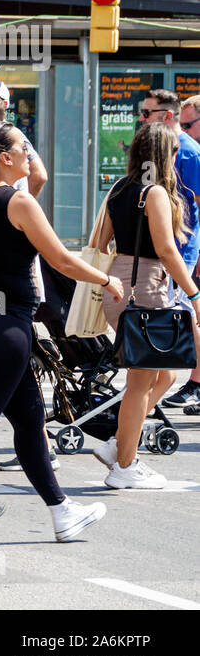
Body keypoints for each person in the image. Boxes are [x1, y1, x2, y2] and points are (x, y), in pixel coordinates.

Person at [0, 121, 119, 549]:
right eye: (23, 149)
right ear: (5, 159)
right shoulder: (16, 202)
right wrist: (106, 282)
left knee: (30, 422)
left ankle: (62, 512)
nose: (30, 156)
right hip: (4, 326)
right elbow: (63, 260)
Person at [93, 123, 200, 489]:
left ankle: (118, 444)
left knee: (165, 374)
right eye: (172, 152)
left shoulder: (120, 188)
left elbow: (102, 242)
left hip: (119, 284)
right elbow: (168, 251)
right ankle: (125, 466)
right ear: (163, 155)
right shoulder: (153, 193)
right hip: (146, 287)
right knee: (141, 381)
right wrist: (196, 295)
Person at [138, 90, 200, 411]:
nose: (141, 118)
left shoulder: (189, 154)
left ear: (167, 116)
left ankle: (196, 382)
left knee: (187, 318)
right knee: (183, 320)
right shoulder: (155, 152)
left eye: (148, 113)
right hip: (159, 254)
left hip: (179, 252)